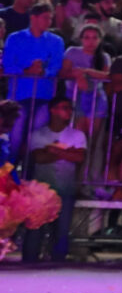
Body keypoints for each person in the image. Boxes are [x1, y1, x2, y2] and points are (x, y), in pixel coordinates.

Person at [18, 95, 86, 263]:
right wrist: (66, 153)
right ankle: (30, 260)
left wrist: (53, 151)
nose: (69, 112)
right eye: (65, 108)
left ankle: (58, 262)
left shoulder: (77, 134)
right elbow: (38, 158)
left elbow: (79, 158)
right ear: (53, 110)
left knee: (62, 229)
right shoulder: (38, 134)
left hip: (65, 188)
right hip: (41, 190)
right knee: (35, 227)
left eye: (70, 108)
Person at [3, 1, 66, 156]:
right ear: (33, 18)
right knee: (15, 138)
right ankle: (9, 174)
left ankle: (30, 174)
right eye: (45, 18)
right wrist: (27, 70)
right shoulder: (15, 38)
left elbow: (57, 66)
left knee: (37, 140)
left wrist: (44, 72)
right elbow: (8, 64)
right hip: (19, 95)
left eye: (50, 18)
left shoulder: (56, 41)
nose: (48, 22)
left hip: (44, 96)